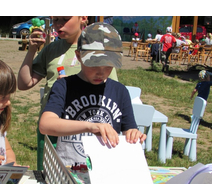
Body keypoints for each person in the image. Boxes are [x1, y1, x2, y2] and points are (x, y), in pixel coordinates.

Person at [39, 22, 146, 167]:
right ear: (78, 56)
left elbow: (129, 130)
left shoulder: (120, 92)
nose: (101, 72)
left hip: (106, 169)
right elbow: (45, 125)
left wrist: (133, 134)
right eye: (94, 64)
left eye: (108, 65)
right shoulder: (64, 86)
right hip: (69, 169)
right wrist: (90, 127)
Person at [18, 17, 118, 170]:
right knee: (49, 175)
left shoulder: (97, 48)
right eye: (56, 19)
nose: (59, 24)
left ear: (83, 18)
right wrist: (31, 50)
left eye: (65, 19)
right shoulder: (51, 49)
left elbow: (111, 91)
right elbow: (24, 84)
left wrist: (70, 85)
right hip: (52, 127)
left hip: (84, 132)